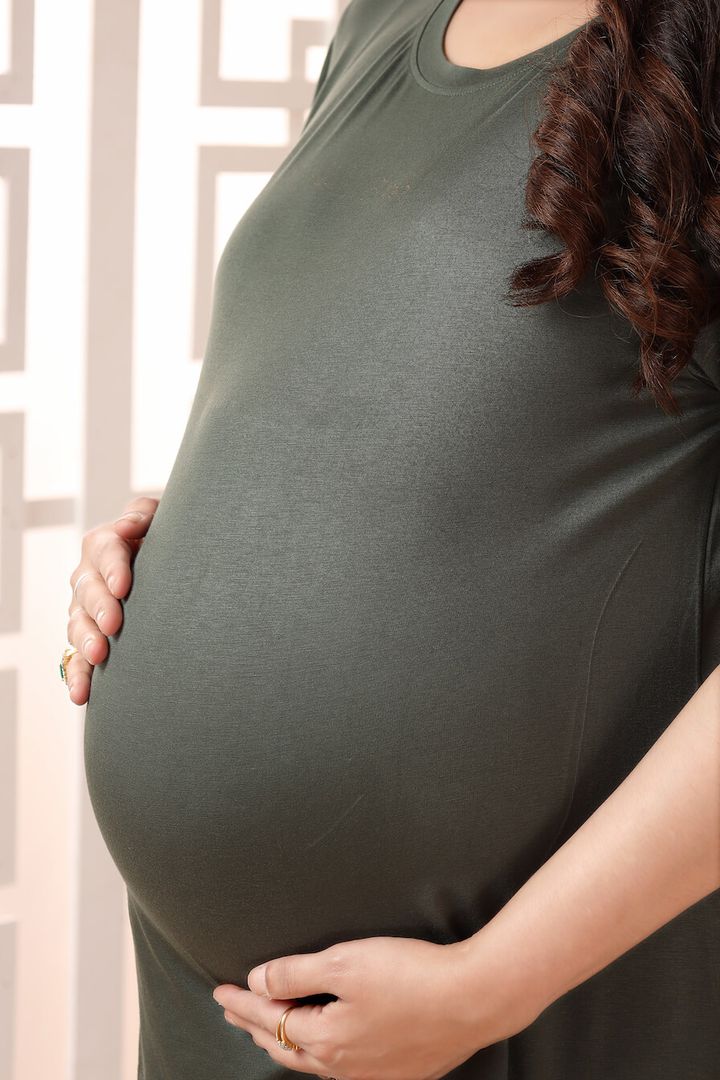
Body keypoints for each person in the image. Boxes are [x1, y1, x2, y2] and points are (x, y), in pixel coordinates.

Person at [61, 1, 720, 1077]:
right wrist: (191, 535)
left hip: (509, 1016)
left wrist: (491, 985)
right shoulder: (384, 19)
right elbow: (379, 380)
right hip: (204, 1002)